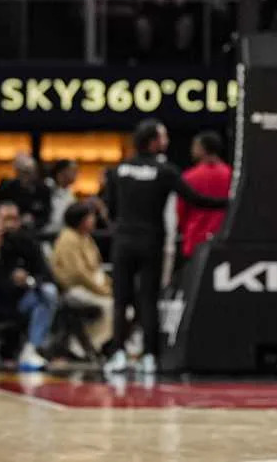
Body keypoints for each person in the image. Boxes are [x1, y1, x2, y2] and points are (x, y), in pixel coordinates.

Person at [102, 119, 228, 374]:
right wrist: (230, 202)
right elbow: (195, 199)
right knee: (149, 298)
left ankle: (118, 354)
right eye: (163, 136)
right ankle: (149, 356)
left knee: (121, 299)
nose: (167, 141)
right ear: (152, 142)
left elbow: (110, 207)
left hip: (123, 241)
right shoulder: (165, 171)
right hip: (151, 242)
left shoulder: (119, 170)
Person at [0, 202, 59, 371]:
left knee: (49, 292)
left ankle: (32, 349)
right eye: (5, 219)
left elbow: (46, 275)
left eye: (14, 219)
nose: (10, 224)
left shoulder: (27, 241)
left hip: (21, 300)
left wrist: (28, 280)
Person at [50, 202, 113, 351]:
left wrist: (109, 286)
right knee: (110, 305)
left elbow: (96, 268)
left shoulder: (86, 238)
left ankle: (104, 343)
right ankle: (91, 345)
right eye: (90, 217)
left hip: (92, 286)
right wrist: (102, 290)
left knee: (123, 305)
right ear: (81, 220)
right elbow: (78, 274)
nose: (94, 220)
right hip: (74, 289)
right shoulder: (68, 239)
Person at [176, 131, 231, 259]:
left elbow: (181, 210)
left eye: (194, 146)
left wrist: (184, 230)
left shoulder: (189, 177)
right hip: (223, 238)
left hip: (194, 239)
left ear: (202, 148)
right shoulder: (231, 175)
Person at [0, 154, 52, 230]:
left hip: (37, 230)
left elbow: (47, 214)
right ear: (17, 172)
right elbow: (0, 208)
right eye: (24, 171)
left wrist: (34, 220)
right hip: (10, 229)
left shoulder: (43, 189)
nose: (29, 175)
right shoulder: (7, 187)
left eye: (31, 171)